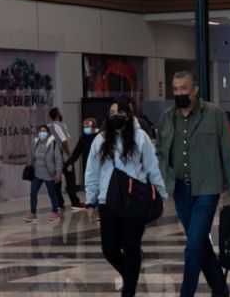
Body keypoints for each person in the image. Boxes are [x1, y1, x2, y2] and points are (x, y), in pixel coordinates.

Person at [156, 72, 230, 297]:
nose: (179, 93)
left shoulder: (214, 114)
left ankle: (186, 293)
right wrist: (165, 177)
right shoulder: (167, 117)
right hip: (180, 189)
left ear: (195, 90)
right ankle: (221, 291)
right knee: (200, 243)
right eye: (175, 89)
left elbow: (226, 150)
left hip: (207, 188)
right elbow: (160, 151)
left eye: (183, 88)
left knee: (193, 245)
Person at [84, 100, 167, 297]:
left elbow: (152, 167)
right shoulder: (100, 139)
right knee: (109, 249)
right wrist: (90, 201)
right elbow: (92, 171)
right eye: (111, 113)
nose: (115, 116)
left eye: (119, 112)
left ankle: (128, 291)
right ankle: (130, 275)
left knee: (130, 246)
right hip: (107, 201)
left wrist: (161, 195)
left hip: (134, 200)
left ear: (128, 115)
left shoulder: (141, 137)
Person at [25, 125, 63, 222]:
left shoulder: (53, 144)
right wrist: (29, 161)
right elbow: (31, 154)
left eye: (44, 131)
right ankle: (33, 212)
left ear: (48, 133)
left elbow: (58, 160)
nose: (42, 133)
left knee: (52, 193)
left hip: (49, 173)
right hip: (36, 173)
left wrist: (58, 173)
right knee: (33, 193)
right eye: (40, 131)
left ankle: (55, 211)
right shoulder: (35, 142)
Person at [49, 107, 79, 209]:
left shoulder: (48, 126)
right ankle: (75, 202)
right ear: (58, 114)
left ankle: (59, 203)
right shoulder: (61, 125)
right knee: (70, 181)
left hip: (54, 158)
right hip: (64, 157)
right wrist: (68, 153)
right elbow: (64, 142)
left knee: (57, 181)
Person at [64, 118, 100, 200]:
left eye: (87, 127)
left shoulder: (100, 136)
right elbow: (76, 152)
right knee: (90, 186)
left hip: (101, 165)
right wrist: (71, 163)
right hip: (90, 166)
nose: (85, 129)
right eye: (84, 127)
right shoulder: (84, 138)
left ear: (93, 127)